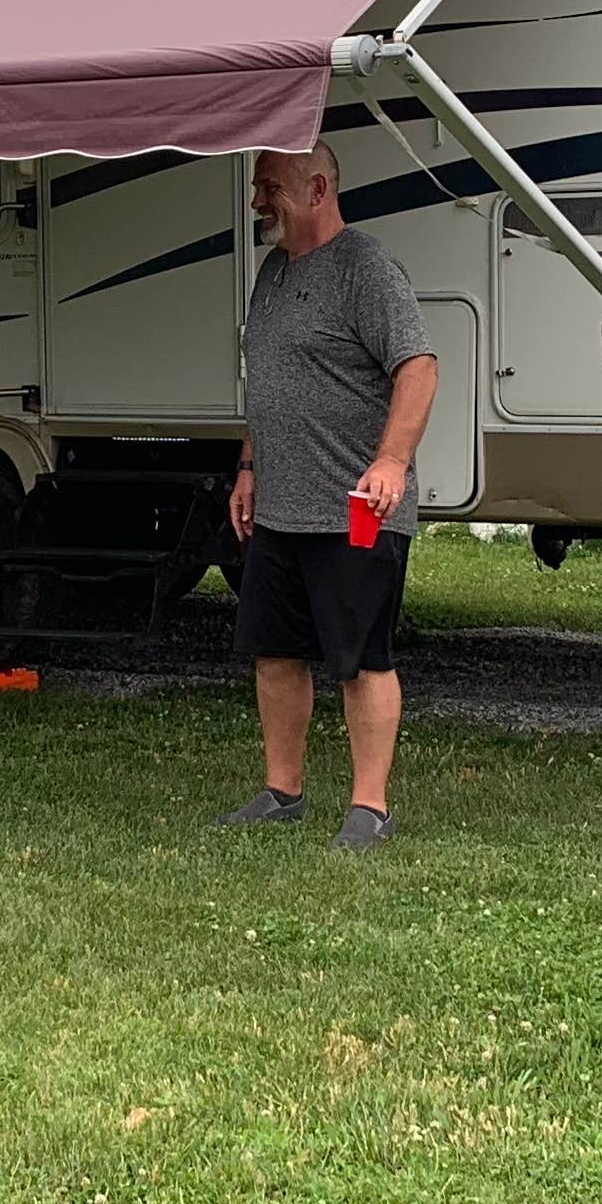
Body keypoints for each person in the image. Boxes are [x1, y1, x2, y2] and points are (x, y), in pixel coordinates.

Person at [218, 144, 437, 848]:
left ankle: (369, 809)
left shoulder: (365, 269)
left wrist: (391, 462)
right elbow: (268, 384)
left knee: (361, 658)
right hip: (281, 507)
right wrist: (250, 466)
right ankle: (283, 793)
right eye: (257, 186)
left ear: (317, 188)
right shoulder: (274, 271)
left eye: (269, 187)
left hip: (356, 510)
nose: (258, 200)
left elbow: (419, 368)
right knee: (276, 652)